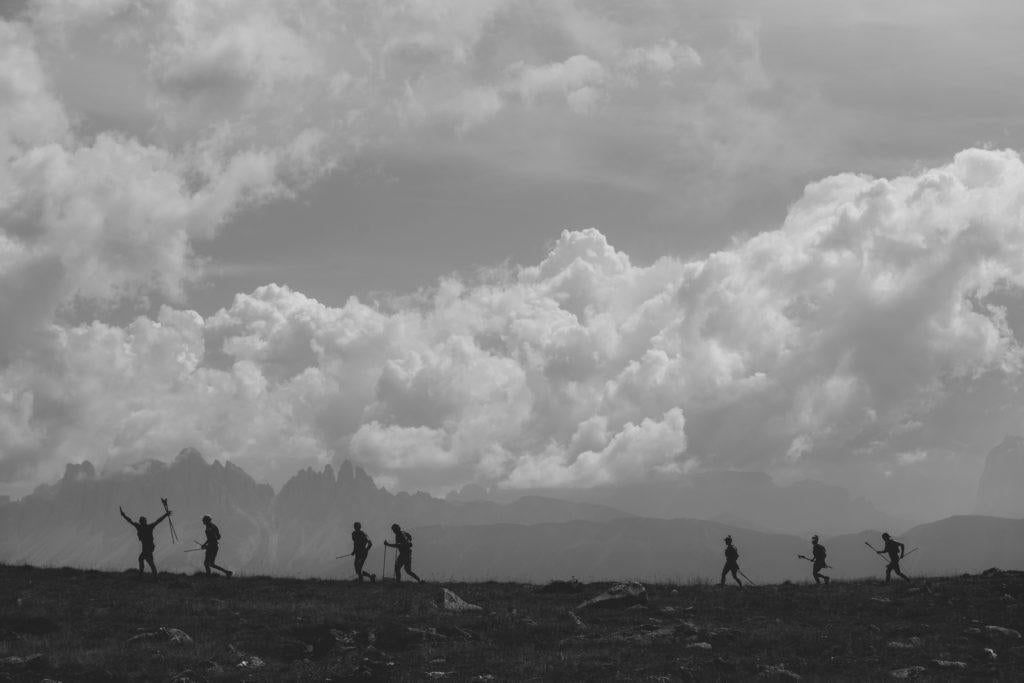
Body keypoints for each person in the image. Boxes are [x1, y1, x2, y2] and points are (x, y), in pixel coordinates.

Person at [119, 505, 172, 576]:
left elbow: (130, 521)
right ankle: (147, 576)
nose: (144, 522)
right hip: (147, 547)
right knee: (145, 560)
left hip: (148, 547)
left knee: (147, 561)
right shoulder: (147, 527)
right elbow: (158, 521)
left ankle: (149, 576)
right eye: (144, 521)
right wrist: (166, 514)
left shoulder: (141, 527)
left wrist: (123, 515)